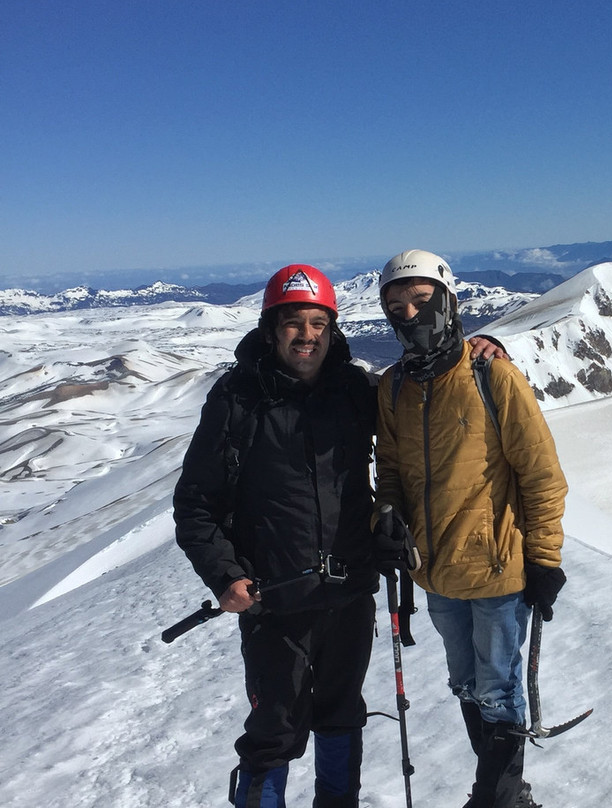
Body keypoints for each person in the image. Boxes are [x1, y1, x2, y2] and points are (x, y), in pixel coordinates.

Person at [173, 263, 504, 807]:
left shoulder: (353, 389)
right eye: (294, 324)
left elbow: (423, 403)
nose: (307, 336)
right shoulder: (237, 399)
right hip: (274, 601)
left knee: (340, 716)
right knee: (274, 731)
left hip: (350, 593)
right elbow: (196, 503)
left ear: (333, 328)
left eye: (318, 324)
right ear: (270, 328)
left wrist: (477, 348)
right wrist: (225, 576)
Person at [371, 250, 569, 808]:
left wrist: (545, 559)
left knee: (499, 691)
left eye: (420, 300)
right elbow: (389, 474)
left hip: (499, 570)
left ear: (447, 299)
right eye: (396, 305)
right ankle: (506, 791)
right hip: (435, 575)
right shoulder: (393, 389)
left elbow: (542, 476)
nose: (409, 313)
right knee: (467, 685)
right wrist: (383, 517)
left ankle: (496, 799)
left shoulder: (492, 375)